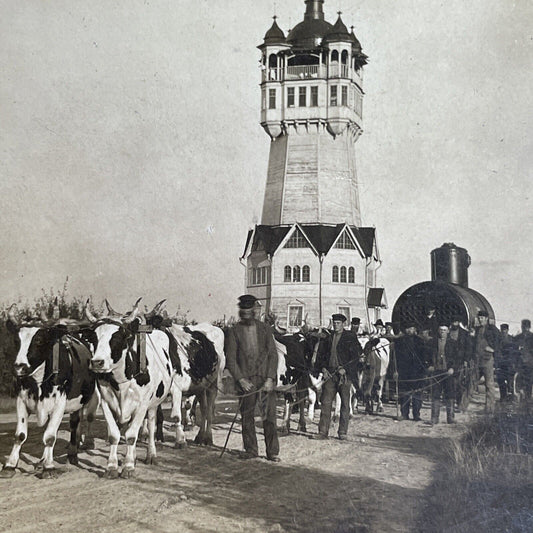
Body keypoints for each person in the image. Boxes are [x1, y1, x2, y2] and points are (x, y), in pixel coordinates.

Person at [224, 294, 280, 461]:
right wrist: (240, 379)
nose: (247, 313)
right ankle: (251, 450)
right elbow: (231, 359)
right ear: (241, 311)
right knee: (247, 416)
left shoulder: (265, 329)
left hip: (264, 381)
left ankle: (272, 452)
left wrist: (270, 378)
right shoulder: (234, 331)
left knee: (269, 417)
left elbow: (273, 355)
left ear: (254, 311)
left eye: (250, 310)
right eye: (244, 310)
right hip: (246, 383)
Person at [312, 314, 361, 440]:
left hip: (344, 376)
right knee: (326, 402)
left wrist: (346, 369)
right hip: (330, 374)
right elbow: (321, 355)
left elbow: (356, 357)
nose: (336, 325)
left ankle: (342, 432)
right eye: (334, 323)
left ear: (343, 324)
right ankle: (323, 432)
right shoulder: (328, 338)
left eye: (338, 323)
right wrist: (323, 368)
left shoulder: (350, 337)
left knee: (345, 404)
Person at [427, 325, 462, 424]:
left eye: (444, 330)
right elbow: (427, 355)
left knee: (450, 394)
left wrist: (453, 368)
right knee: (435, 394)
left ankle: (450, 417)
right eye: (441, 330)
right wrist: (429, 365)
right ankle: (434, 417)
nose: (442, 332)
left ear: (448, 331)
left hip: (448, 372)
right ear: (438, 331)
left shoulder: (453, 344)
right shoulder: (432, 342)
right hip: (436, 371)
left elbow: (457, 358)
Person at [394, 322, 428, 421]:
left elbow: (424, 356)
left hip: (417, 371)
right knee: (404, 394)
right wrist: (395, 371)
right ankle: (404, 414)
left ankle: (416, 414)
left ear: (415, 329)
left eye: (412, 328)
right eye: (408, 328)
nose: (410, 330)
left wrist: (424, 369)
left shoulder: (420, 341)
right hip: (404, 371)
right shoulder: (399, 341)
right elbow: (395, 357)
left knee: (417, 393)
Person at [472, 310, 501, 413]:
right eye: (480, 318)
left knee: (489, 385)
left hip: (488, 360)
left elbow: (500, 341)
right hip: (477, 360)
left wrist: (493, 349)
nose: (481, 320)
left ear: (487, 318)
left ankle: (489, 409)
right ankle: (462, 407)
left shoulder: (492, 329)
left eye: (483, 318)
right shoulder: (477, 329)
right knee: (472, 382)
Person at [448, 315, 472, 411]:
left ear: (459, 323)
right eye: (453, 322)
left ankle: (459, 403)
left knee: (459, 383)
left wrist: (466, 360)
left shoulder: (465, 334)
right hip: (450, 362)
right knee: (450, 383)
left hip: (461, 361)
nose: (455, 324)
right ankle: (451, 402)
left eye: (456, 322)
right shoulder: (448, 333)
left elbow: (469, 349)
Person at [497, 324, 519, 401]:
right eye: (502, 330)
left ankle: (511, 396)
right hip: (501, 364)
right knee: (501, 381)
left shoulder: (512, 339)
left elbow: (516, 352)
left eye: (505, 330)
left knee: (510, 381)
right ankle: (503, 397)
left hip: (510, 364)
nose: (503, 331)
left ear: (507, 330)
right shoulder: (498, 339)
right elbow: (497, 351)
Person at [515, 319, 533, 400]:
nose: (525, 329)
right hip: (520, 364)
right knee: (520, 382)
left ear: (529, 327)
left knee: (529, 382)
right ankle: (522, 398)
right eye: (523, 327)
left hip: (530, 364)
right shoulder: (517, 338)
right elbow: (513, 350)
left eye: (526, 327)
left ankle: (528, 399)